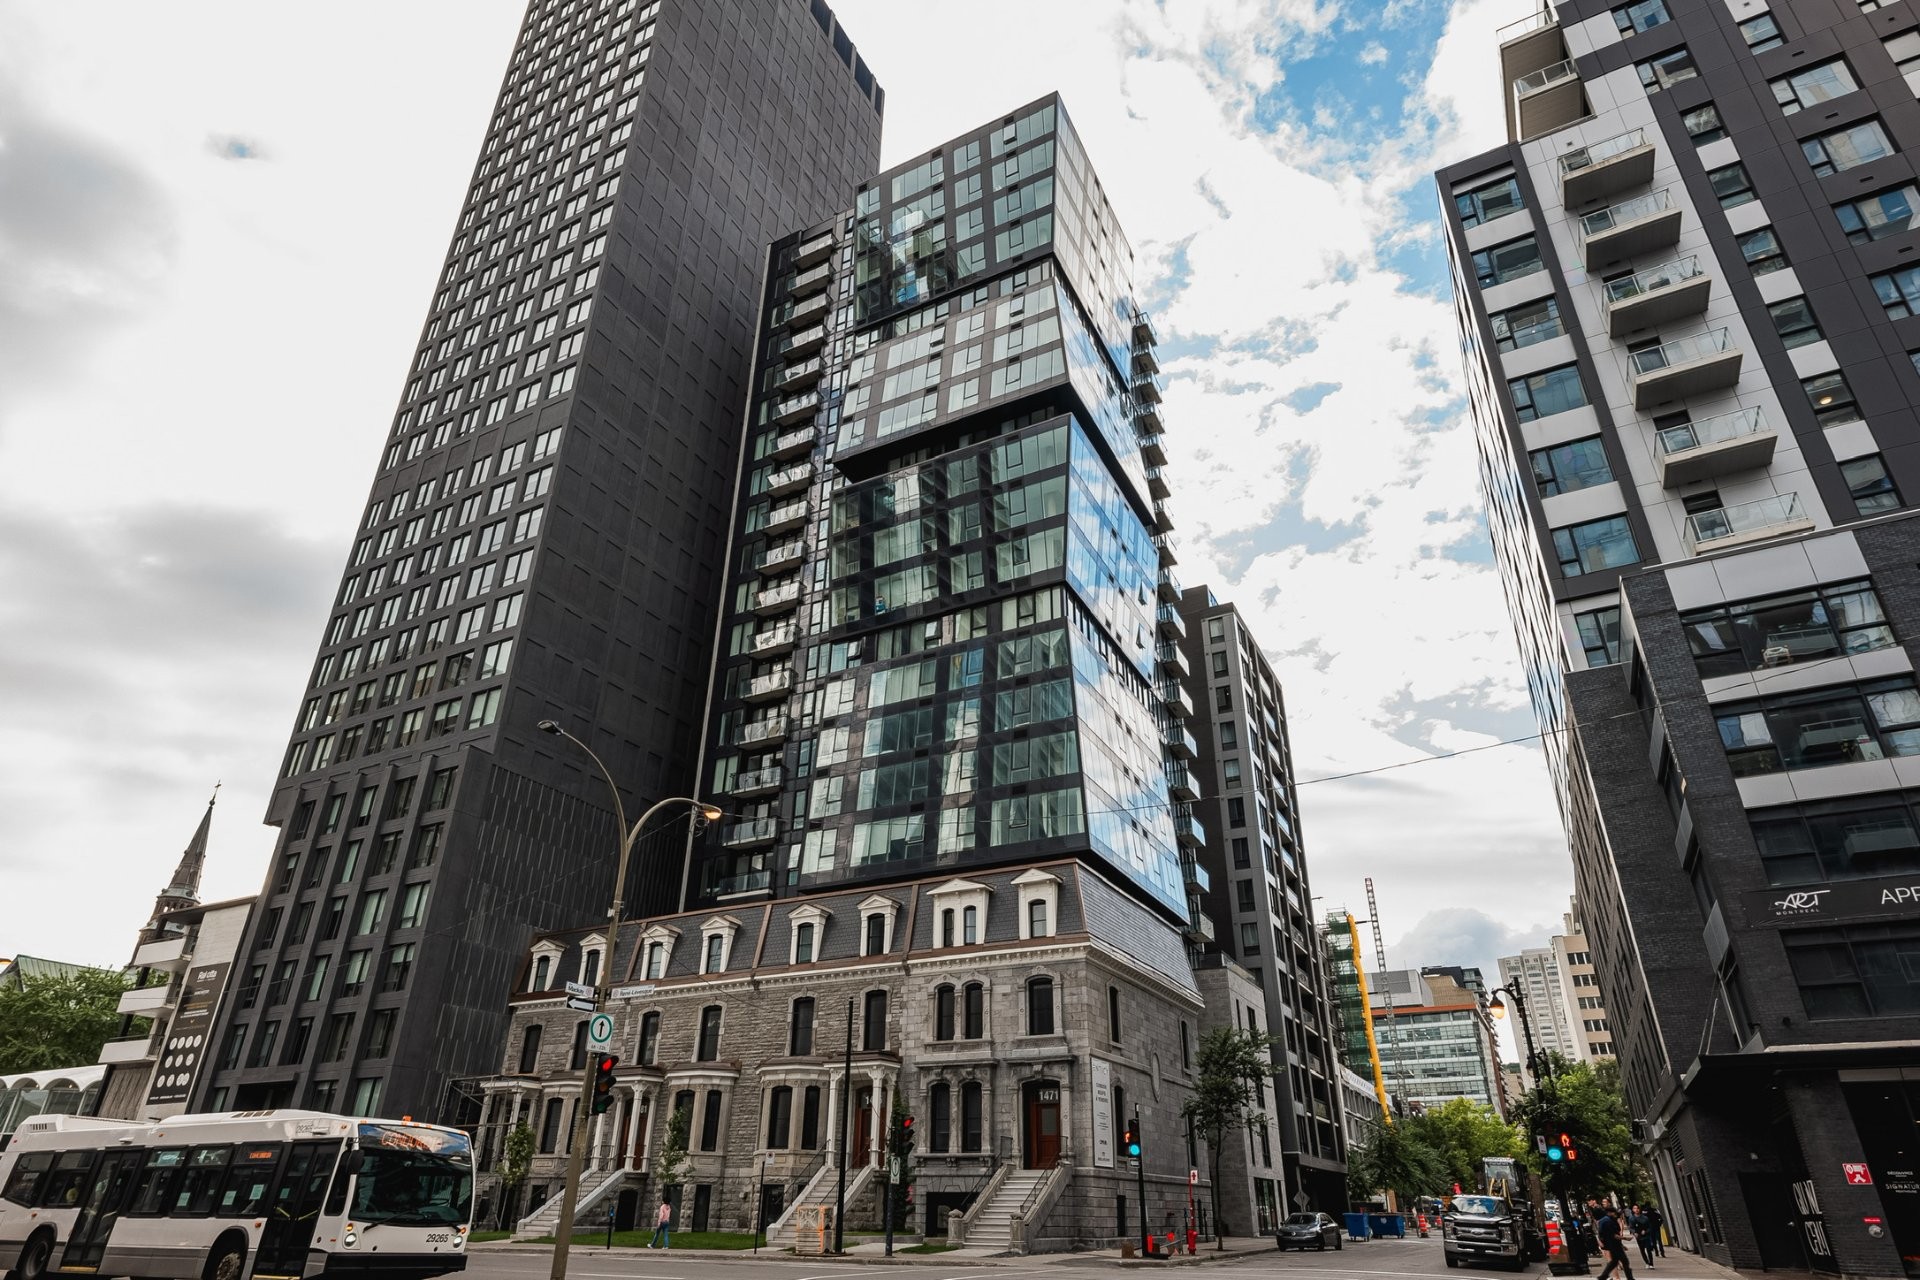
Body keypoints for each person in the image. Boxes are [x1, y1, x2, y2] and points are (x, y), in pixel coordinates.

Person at [1595, 1205, 1635, 1280]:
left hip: (1610, 1244)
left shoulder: (1603, 1221)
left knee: (1614, 1262)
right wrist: (1626, 1238)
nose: (1615, 1215)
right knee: (1624, 1261)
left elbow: (1601, 1233)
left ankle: (1603, 1276)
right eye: (1614, 1213)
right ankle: (1630, 1278)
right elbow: (1614, 1235)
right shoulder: (1608, 1221)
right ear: (1610, 1213)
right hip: (1614, 1244)